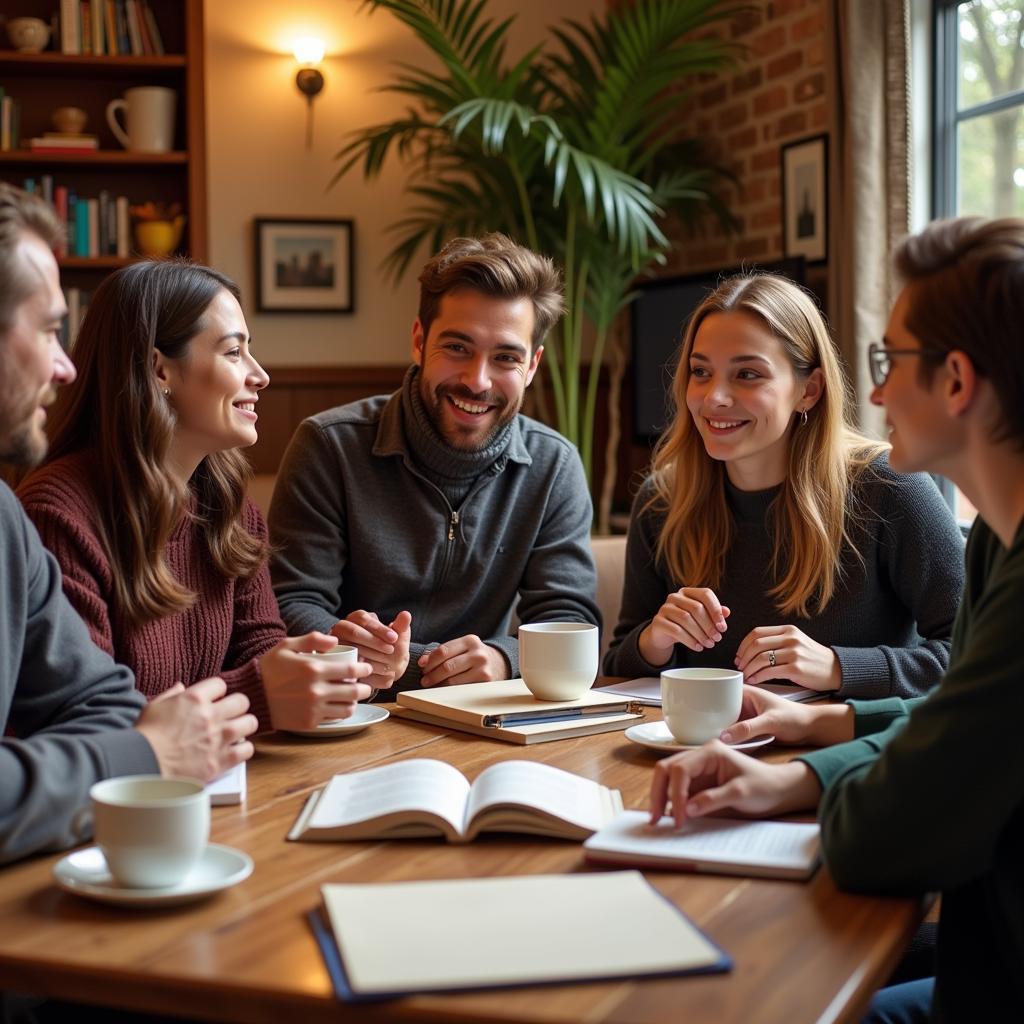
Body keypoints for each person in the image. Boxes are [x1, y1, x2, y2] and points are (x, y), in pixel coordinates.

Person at [648, 217, 1024, 1022]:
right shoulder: (998, 534)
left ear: (956, 380)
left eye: (890, 361)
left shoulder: (922, 512)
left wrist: (811, 755)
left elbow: (881, 833)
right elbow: (955, 720)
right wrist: (814, 743)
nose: (878, 391)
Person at [0, 184, 256, 867]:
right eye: (50, 329)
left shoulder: (3, 518)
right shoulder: (53, 510)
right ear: (159, 371)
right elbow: (127, 730)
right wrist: (147, 752)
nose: (65, 364)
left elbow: (101, 705)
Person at [17, 261, 373, 734]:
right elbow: (90, 723)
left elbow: (259, 649)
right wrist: (262, 693)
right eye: (233, 352)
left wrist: (331, 669)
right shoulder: (57, 515)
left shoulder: (229, 506)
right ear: (159, 368)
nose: (260, 374)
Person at [605, 272, 963, 700]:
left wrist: (837, 666)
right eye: (700, 372)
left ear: (808, 390)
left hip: (839, 756)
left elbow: (975, 653)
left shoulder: (889, 486)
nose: (714, 397)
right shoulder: (661, 500)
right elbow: (616, 665)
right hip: (698, 753)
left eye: (748, 374)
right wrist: (653, 642)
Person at [269, 233, 600, 691]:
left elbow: (569, 619)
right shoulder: (328, 446)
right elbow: (289, 604)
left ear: (532, 366)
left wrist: (505, 659)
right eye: (458, 348)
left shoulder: (554, 465)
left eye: (505, 357)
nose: (477, 381)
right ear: (419, 341)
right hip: (353, 709)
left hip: (486, 719)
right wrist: (357, 650)